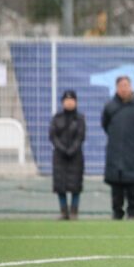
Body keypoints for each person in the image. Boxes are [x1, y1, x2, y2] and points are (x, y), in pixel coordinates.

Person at [102, 76, 134, 220]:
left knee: (133, 187)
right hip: (115, 153)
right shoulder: (110, 106)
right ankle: (117, 212)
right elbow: (105, 125)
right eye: (121, 86)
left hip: (133, 153)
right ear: (116, 88)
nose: (124, 89)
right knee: (116, 188)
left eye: (126, 85)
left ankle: (132, 213)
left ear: (131, 87)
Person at [49, 90, 86, 220]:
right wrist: (62, 149)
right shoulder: (57, 118)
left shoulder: (80, 118)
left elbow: (81, 136)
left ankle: (74, 211)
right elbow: (52, 136)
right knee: (61, 185)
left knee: (76, 185)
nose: (69, 103)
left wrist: (72, 149)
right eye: (67, 100)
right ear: (62, 102)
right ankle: (64, 211)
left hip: (76, 157)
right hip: (59, 157)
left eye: (72, 100)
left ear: (76, 102)